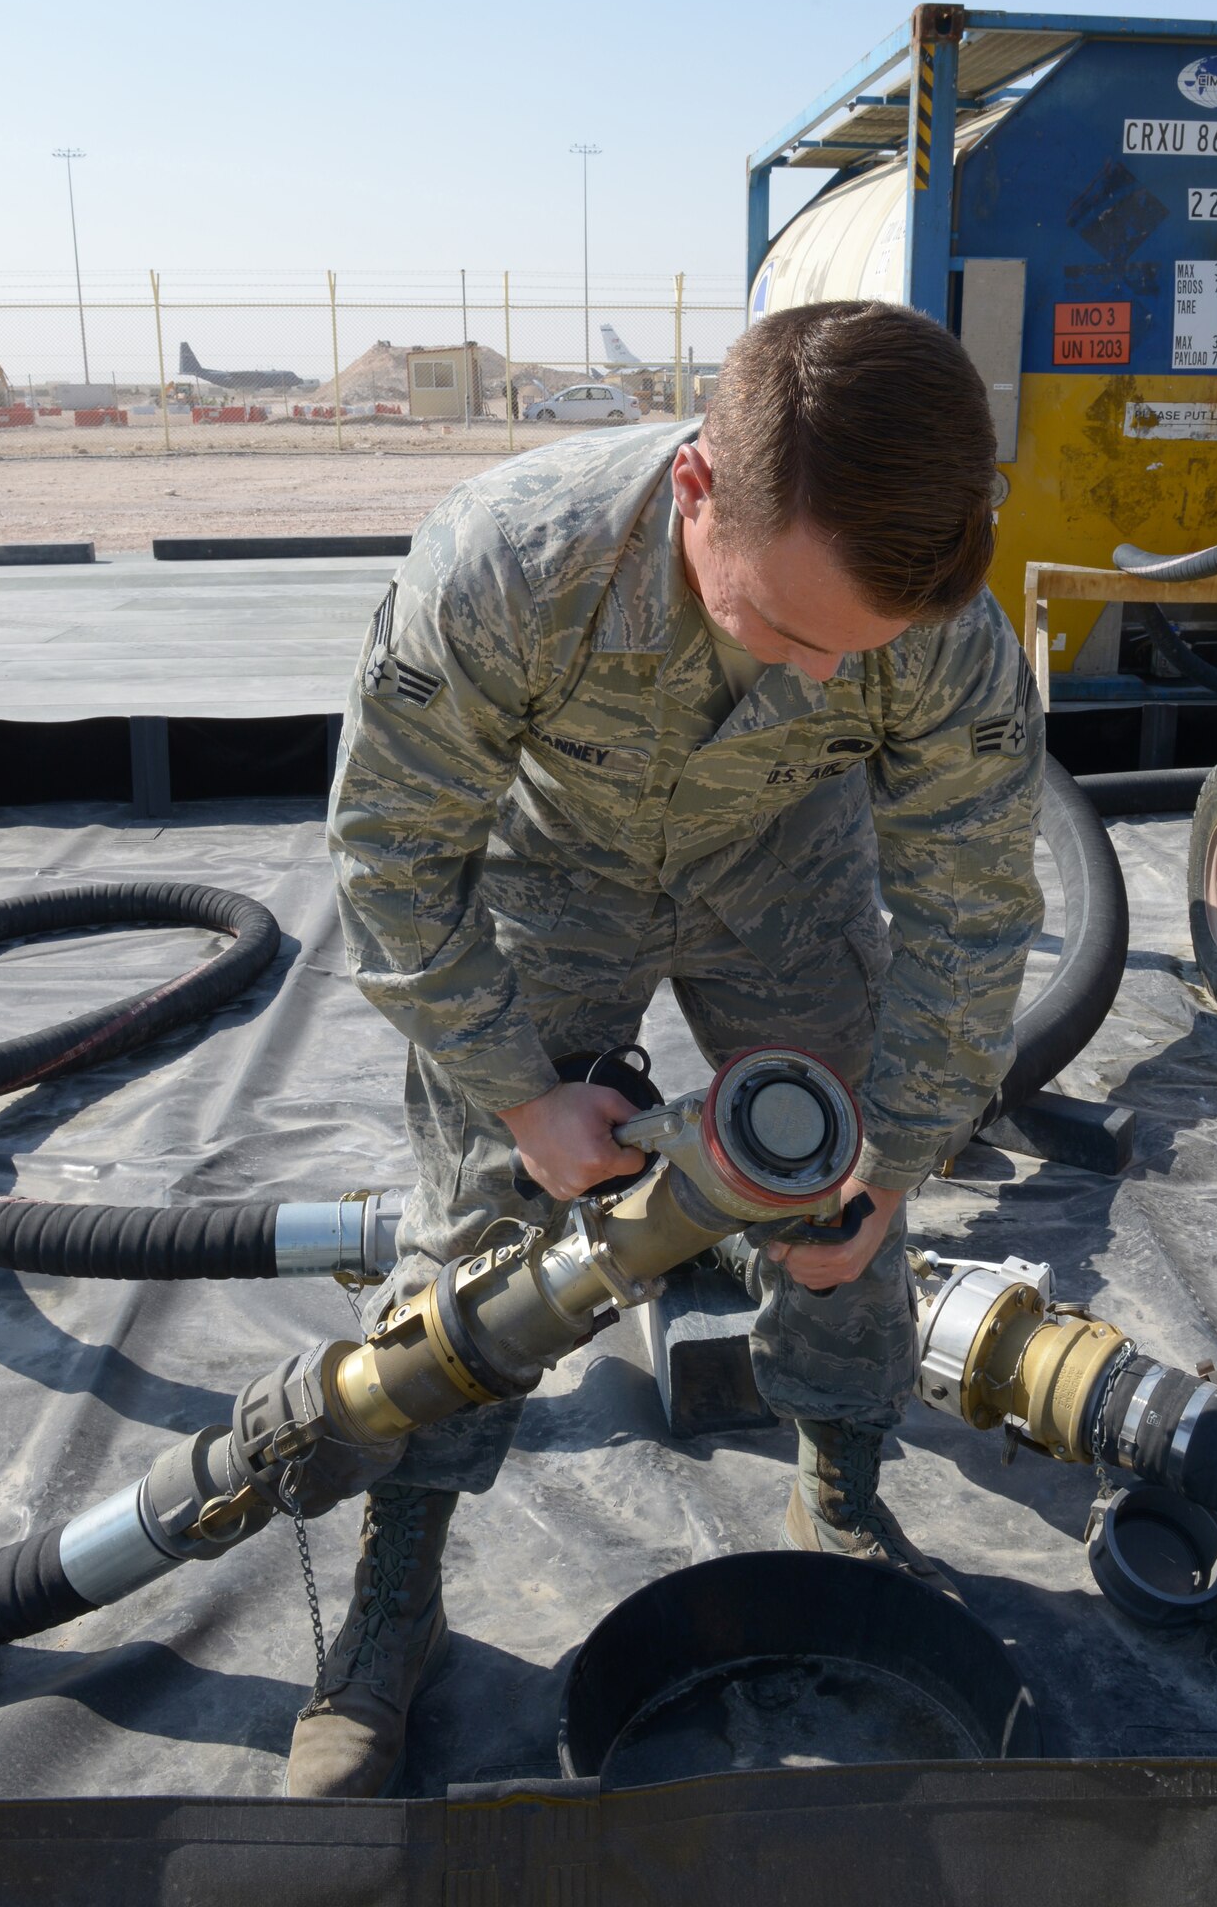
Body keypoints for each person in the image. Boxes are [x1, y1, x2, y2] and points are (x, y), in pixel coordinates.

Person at [288, 299, 1045, 1797]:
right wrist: (516, 1093)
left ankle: (840, 1485)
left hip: (785, 864)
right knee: (475, 1229)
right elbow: (389, 853)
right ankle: (402, 1579)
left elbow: (968, 907)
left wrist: (893, 1158)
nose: (823, 680)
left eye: (858, 655)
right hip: (549, 867)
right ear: (697, 491)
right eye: (782, 631)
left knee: (836, 1186)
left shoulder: (943, 627)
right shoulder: (511, 562)